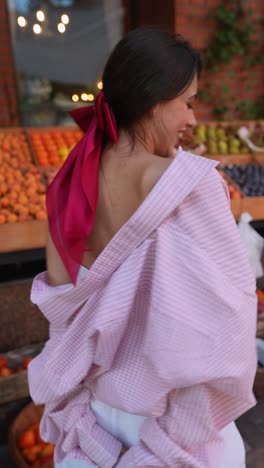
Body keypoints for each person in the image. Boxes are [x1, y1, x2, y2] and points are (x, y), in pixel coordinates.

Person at [28, 28, 257, 468]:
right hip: (174, 422)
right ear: (154, 98)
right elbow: (226, 325)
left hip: (95, 419)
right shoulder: (191, 183)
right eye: (187, 102)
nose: (193, 119)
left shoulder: (69, 182)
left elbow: (60, 309)